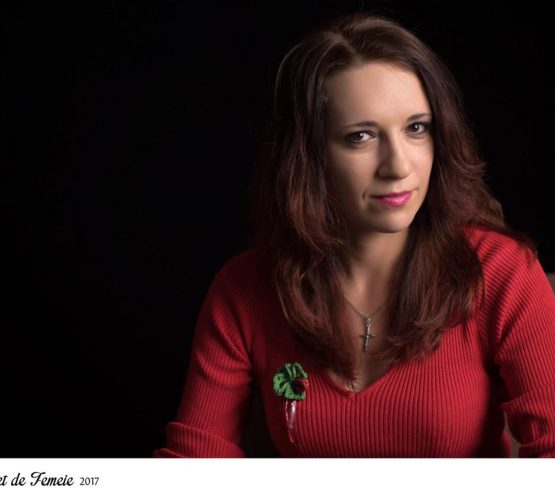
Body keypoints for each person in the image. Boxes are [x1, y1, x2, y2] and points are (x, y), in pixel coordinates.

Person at [154, 12, 555, 458]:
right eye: (361, 136)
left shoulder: (502, 273)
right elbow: (195, 462)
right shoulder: (244, 289)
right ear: (309, 156)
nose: (398, 166)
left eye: (416, 128)